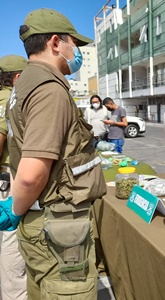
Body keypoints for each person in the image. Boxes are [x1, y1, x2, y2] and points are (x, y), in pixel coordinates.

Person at [0, 8, 107, 298]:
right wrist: (17, 207)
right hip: (58, 225)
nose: (77, 51)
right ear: (56, 42)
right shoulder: (48, 89)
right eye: (74, 43)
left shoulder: (23, 87)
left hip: (43, 222)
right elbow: (32, 174)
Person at [0, 55, 27, 300]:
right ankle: (15, 295)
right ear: (17, 77)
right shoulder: (9, 99)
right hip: (7, 175)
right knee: (11, 237)